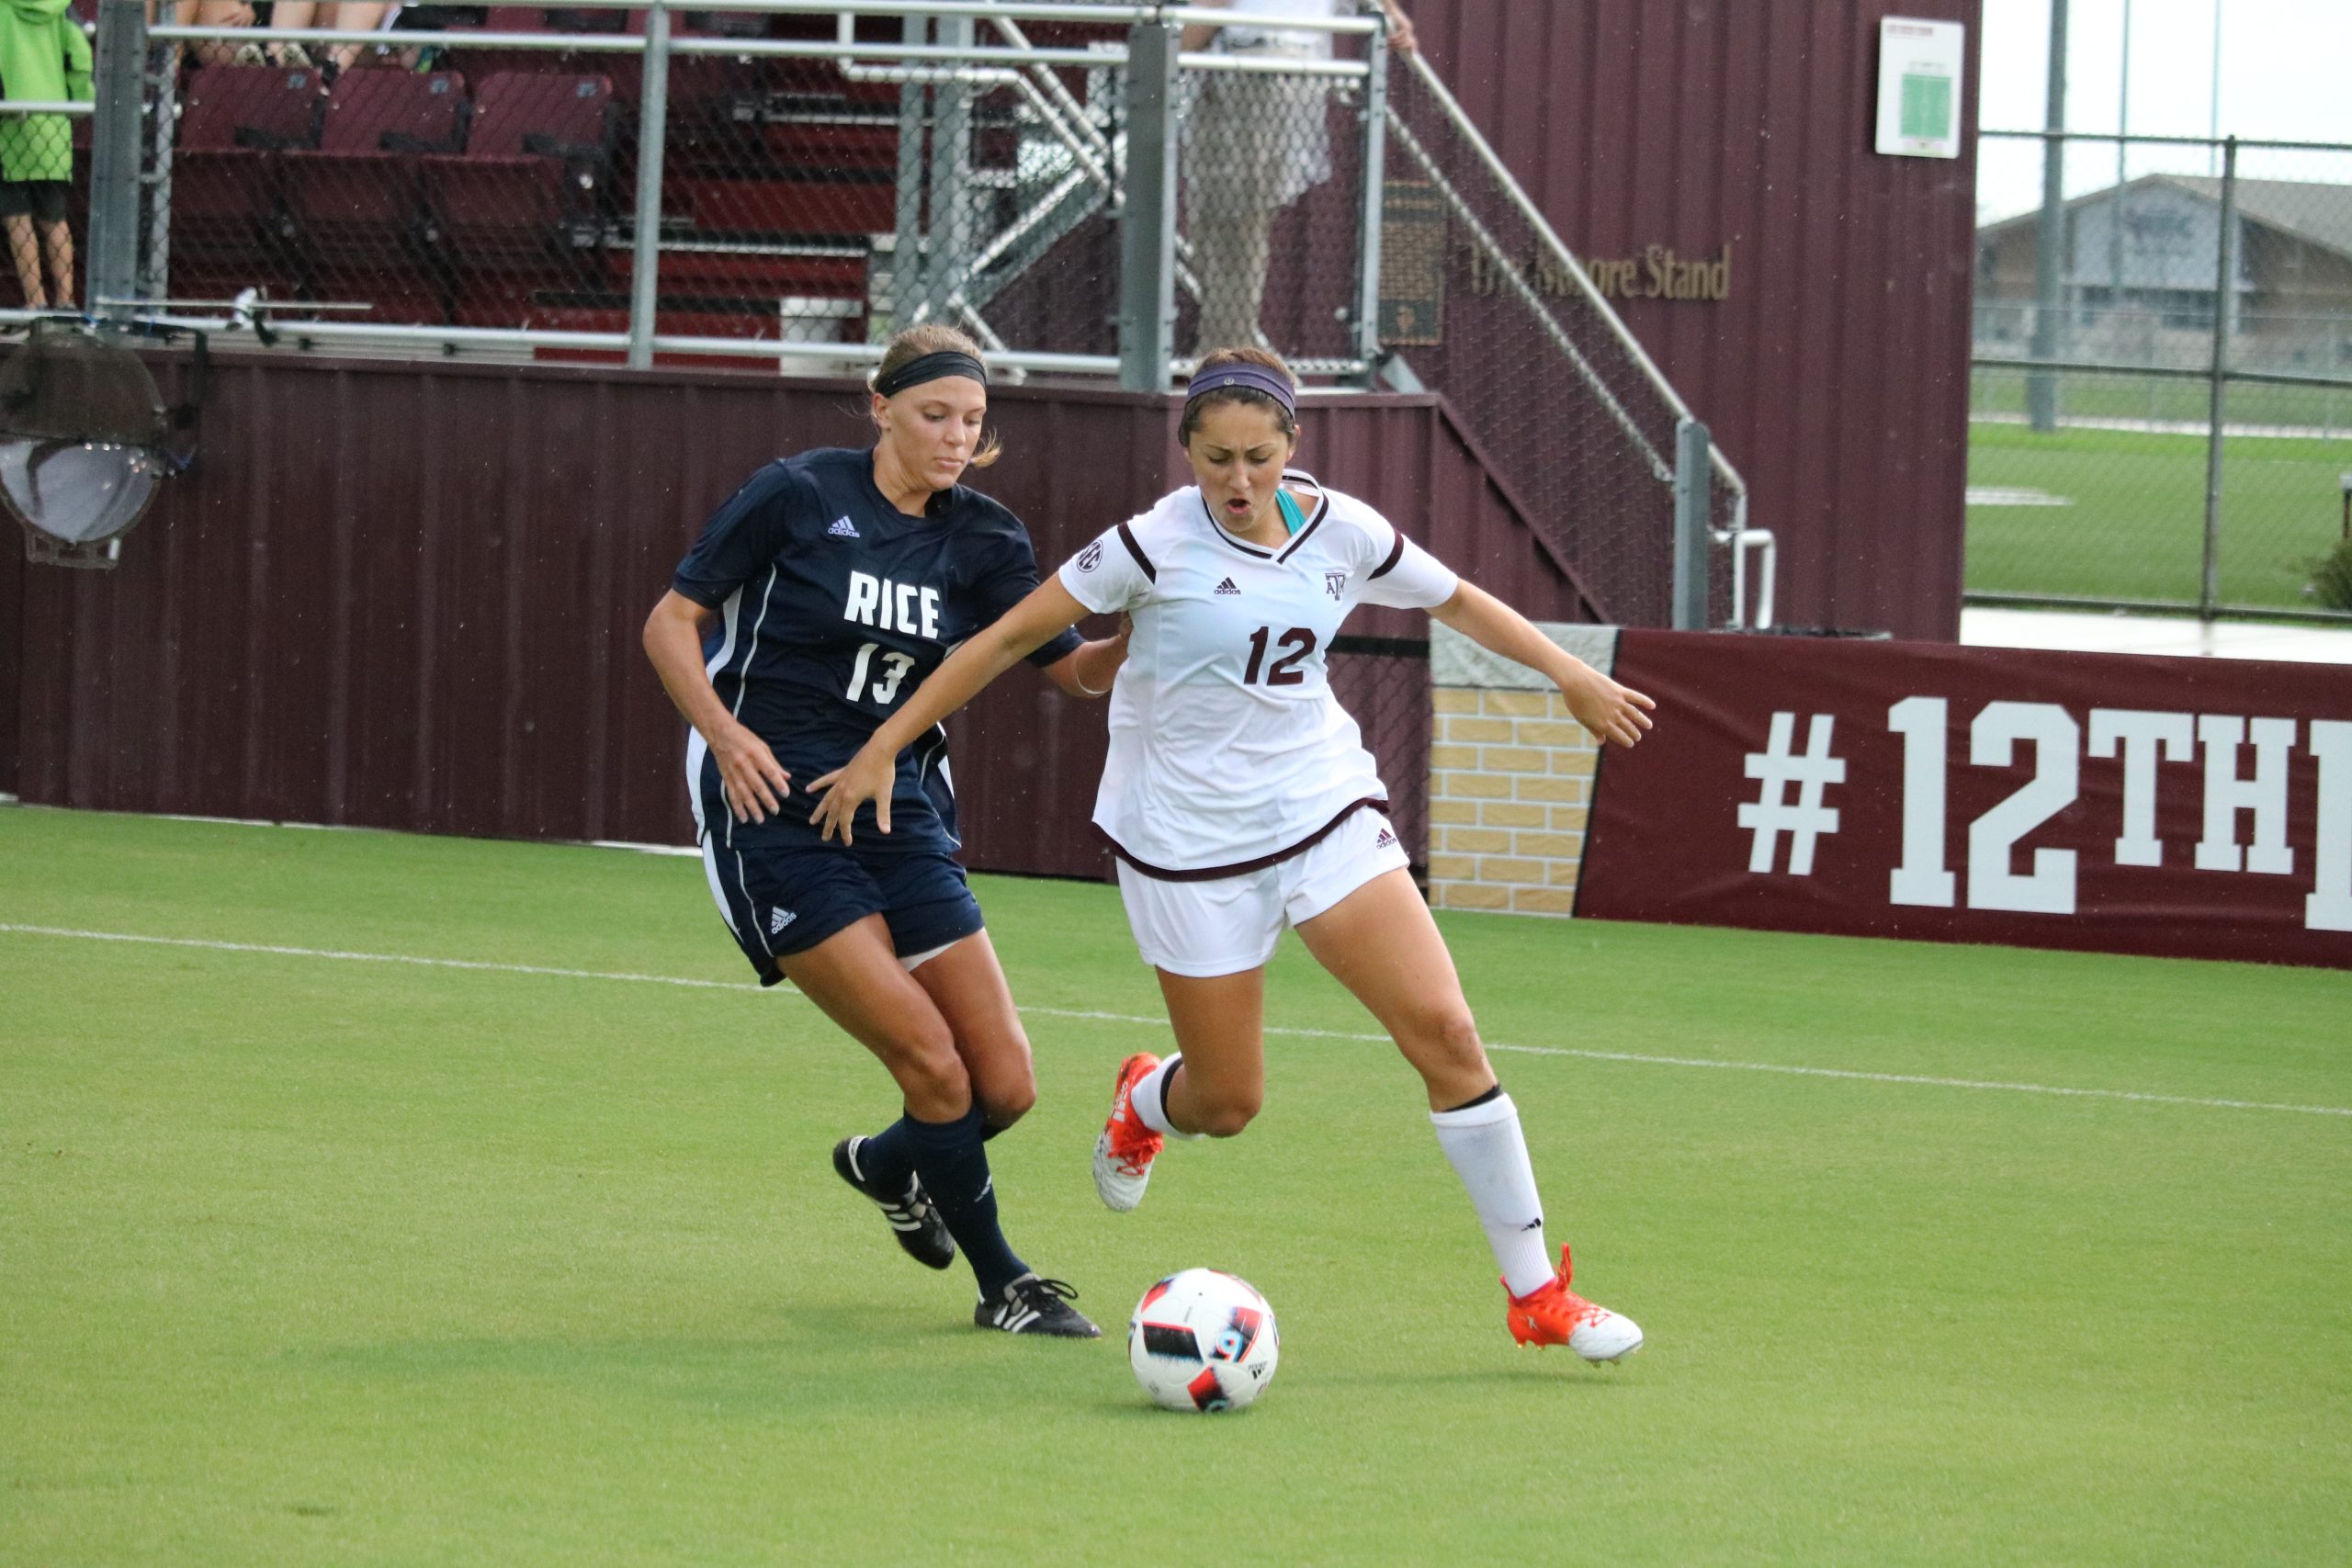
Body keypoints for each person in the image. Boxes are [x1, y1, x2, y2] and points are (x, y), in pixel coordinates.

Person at [810, 348, 1657, 1363]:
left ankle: (1536, 1297)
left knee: (1445, 1031)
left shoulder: (1344, 529)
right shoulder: (1147, 543)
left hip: (1320, 807)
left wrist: (1567, 674)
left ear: (1292, 447)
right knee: (1227, 1102)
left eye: (1259, 456)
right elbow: (995, 644)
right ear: (1188, 453)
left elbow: (1458, 599)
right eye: (1217, 459)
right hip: (1184, 842)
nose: (1239, 480)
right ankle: (1145, 1103)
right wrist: (881, 748)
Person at [640, 324, 1130, 1339]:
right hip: (774, 809)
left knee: (1004, 1082)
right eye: (935, 416)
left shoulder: (984, 538)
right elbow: (670, 622)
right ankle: (1006, 1283)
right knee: (933, 1065)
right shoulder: (798, 494)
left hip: (898, 811)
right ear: (881, 407)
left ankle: (883, 1163)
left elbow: (1074, 673)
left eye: (974, 423)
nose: (956, 439)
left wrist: (1153, 629)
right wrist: (724, 737)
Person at [1182, 0, 1414, 353]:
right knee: (1216, 218)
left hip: (1260, 62)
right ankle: (1223, 347)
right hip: (1250, 60)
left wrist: (1163, 51)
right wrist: (1394, 16)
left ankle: (1224, 354)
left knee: (1236, 221)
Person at [0, 0, 91, 311]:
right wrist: (80, 102)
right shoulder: (62, 7)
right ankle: (66, 300)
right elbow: (80, 57)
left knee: (17, 217)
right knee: (54, 216)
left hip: (9, 119)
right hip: (53, 118)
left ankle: (35, 301)